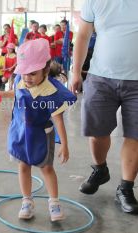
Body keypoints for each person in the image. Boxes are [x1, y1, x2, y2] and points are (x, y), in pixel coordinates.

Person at [0, 39, 76, 221]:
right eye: (24, 73)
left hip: (42, 135)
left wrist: (64, 144)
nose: (27, 78)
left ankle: (54, 203)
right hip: (21, 131)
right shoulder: (20, 80)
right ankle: (27, 201)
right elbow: (17, 93)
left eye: (32, 73)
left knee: (46, 167)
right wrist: (2, 94)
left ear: (45, 70)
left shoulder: (51, 92)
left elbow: (58, 120)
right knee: (23, 166)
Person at [72, 0, 138, 215]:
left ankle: (126, 188)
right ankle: (100, 170)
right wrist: (76, 72)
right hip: (100, 78)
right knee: (97, 133)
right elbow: (82, 35)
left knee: (135, 136)